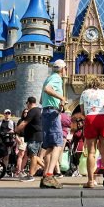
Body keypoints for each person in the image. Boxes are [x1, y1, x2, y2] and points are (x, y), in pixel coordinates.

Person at [39, 59, 68, 189]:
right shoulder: (57, 78)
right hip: (51, 113)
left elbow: (41, 99)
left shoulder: (48, 77)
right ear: (63, 69)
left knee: (49, 146)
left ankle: (45, 176)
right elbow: (47, 89)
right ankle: (50, 175)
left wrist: (59, 104)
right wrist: (61, 98)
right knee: (58, 144)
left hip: (46, 111)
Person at [15, 96, 44, 182]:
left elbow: (24, 122)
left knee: (33, 156)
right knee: (32, 155)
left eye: (27, 103)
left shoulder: (33, 111)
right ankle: (48, 170)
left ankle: (30, 175)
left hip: (34, 136)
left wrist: (15, 130)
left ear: (29, 103)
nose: (27, 106)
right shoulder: (39, 110)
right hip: (36, 136)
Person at [14, 108, 28, 178]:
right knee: (21, 155)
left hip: (28, 139)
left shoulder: (30, 121)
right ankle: (18, 171)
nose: (26, 113)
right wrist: (17, 138)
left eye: (27, 112)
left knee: (26, 156)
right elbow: (16, 131)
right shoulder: (20, 121)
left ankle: (22, 170)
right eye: (25, 112)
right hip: (22, 138)